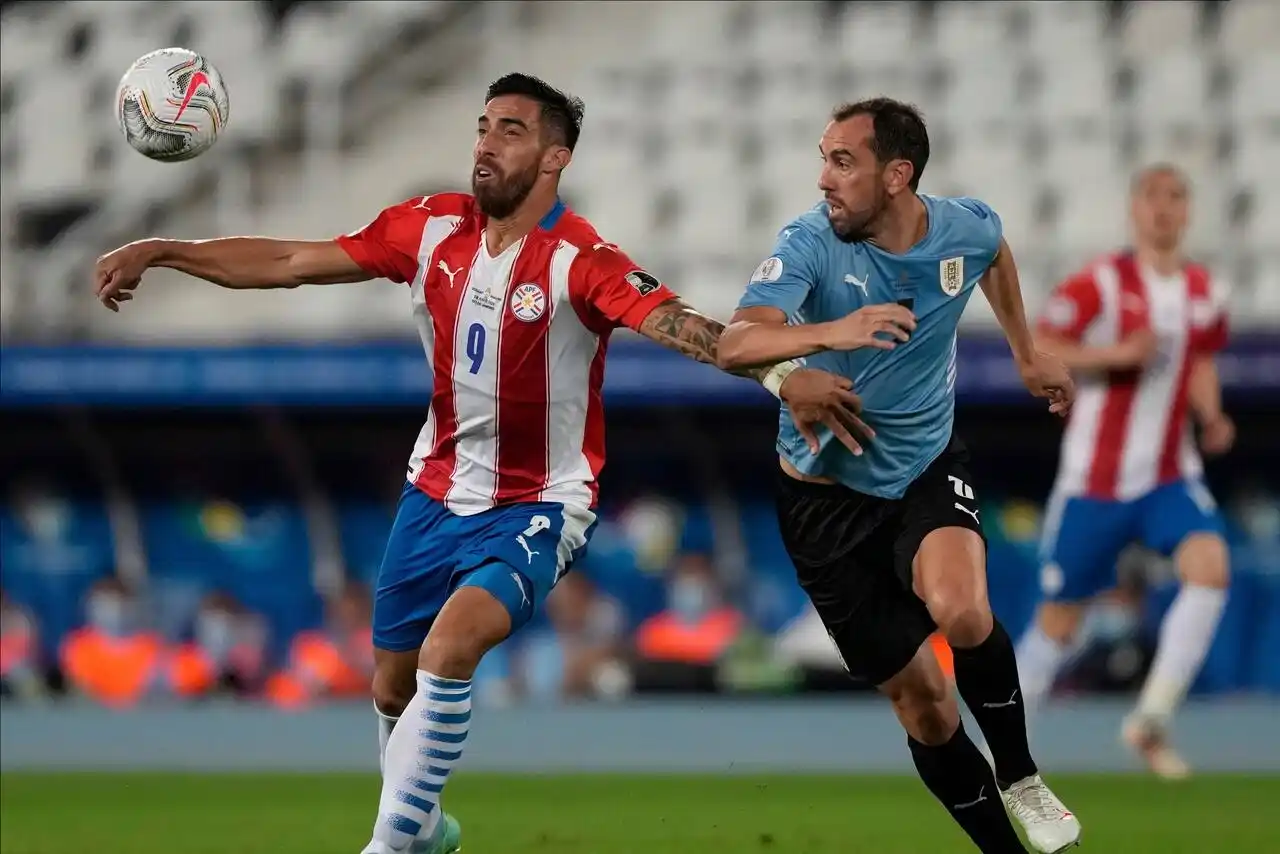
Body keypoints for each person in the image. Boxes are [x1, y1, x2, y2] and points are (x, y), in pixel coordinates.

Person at [93, 72, 870, 854]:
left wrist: (780, 375)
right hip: (432, 493)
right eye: (483, 126)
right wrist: (168, 249)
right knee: (392, 687)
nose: (486, 144)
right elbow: (294, 258)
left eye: (511, 131)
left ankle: (389, 845)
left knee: (451, 647)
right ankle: (427, 831)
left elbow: (683, 326)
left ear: (553, 158)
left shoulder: (581, 259)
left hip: (539, 501)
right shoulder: (429, 227)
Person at [716, 98, 1082, 854]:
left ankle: (1020, 774)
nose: (824, 179)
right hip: (821, 503)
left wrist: (1025, 350)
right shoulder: (810, 243)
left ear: (897, 175)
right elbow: (734, 342)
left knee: (963, 610)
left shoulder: (963, 227)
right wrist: (824, 339)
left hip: (922, 465)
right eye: (823, 158)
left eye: (843, 162)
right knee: (924, 705)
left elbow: (996, 252)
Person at [1015, 164, 1234, 780]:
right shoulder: (1103, 282)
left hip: (1168, 474)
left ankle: (1150, 720)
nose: (1164, 208)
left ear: (1188, 211)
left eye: (1176, 197)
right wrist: (1113, 355)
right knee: (1059, 621)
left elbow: (1199, 360)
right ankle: (1002, 749)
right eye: (1153, 197)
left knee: (1211, 568)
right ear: (1134, 209)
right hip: (1096, 481)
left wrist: (1210, 415)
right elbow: (1041, 343)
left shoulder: (1202, 291)